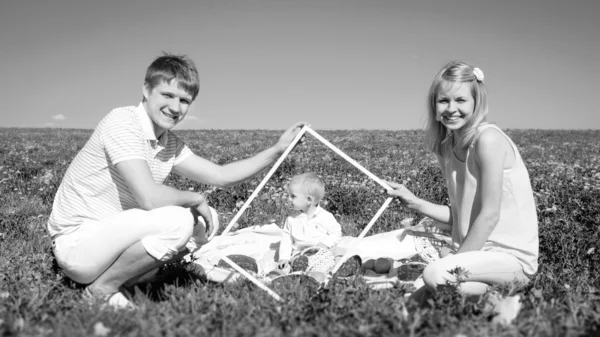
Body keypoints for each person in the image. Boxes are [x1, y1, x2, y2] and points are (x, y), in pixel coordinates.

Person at [47, 53, 305, 309]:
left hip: (112, 240)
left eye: (184, 100)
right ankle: (100, 289)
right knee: (181, 220)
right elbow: (148, 197)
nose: (175, 107)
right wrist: (194, 198)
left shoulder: (168, 142)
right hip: (78, 245)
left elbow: (221, 176)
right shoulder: (123, 122)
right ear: (146, 90)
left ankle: (121, 281)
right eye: (167, 95)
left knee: (207, 220)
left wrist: (277, 150)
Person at [386, 61, 539, 304]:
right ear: (434, 105)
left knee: (435, 274)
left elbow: (489, 216)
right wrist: (414, 202)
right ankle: (500, 300)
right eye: (443, 100)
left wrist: (455, 262)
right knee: (410, 297)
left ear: (477, 102)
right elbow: (460, 216)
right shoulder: (447, 149)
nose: (451, 108)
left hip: (509, 260)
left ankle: (505, 296)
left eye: (460, 100)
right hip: (474, 258)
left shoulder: (488, 140)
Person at [276, 173, 342, 273]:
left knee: (339, 252)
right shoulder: (292, 219)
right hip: (301, 254)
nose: (289, 199)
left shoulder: (325, 216)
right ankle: (285, 273)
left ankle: (340, 269)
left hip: (323, 251)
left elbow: (336, 232)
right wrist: (284, 257)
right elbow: (286, 239)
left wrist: (324, 244)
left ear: (308, 200)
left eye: (293, 196)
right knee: (289, 265)